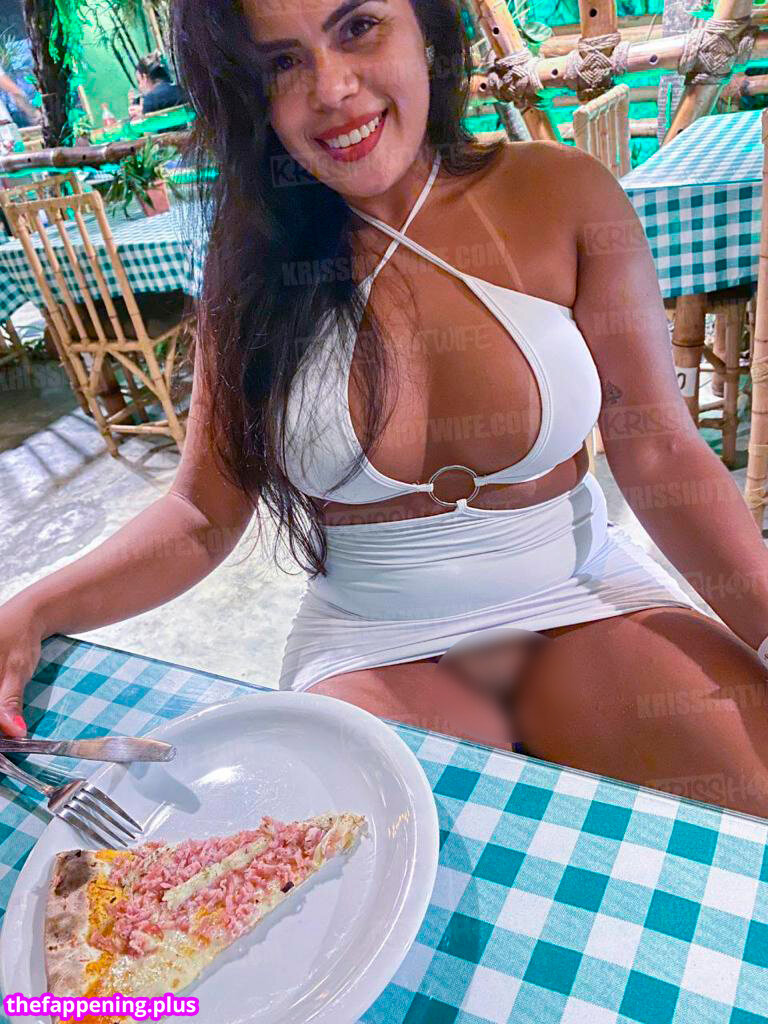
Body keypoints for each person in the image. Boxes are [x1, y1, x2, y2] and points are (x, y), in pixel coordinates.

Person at [3, 0, 768, 818]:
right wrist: (30, 610)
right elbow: (201, 512)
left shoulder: (563, 193)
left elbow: (659, 449)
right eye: (280, 63)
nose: (331, 89)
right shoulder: (249, 261)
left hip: (578, 590)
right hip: (369, 640)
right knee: (377, 870)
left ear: (426, 29)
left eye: (358, 27)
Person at [128, 52, 187, 118]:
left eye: (139, 82)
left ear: (144, 78)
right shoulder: (178, 88)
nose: (140, 87)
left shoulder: (151, 100)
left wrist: (141, 109)